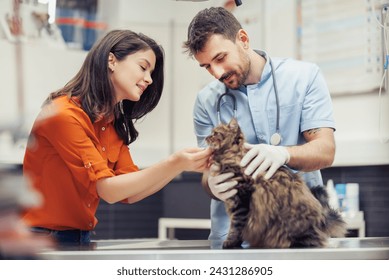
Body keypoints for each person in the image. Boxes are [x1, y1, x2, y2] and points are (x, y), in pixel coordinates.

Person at [22, 29, 211, 247]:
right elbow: (108, 190)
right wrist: (175, 162)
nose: (149, 79)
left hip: (79, 237)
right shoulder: (63, 115)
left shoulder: (109, 123)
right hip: (43, 240)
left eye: (151, 73)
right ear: (111, 60)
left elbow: (131, 193)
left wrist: (180, 166)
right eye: (143, 67)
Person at [183, 7, 336, 247]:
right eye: (207, 67)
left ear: (243, 40)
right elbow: (207, 171)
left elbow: (325, 150)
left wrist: (284, 153)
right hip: (233, 241)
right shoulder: (206, 101)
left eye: (220, 58)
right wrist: (212, 185)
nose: (217, 73)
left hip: (295, 235)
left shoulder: (303, 77)